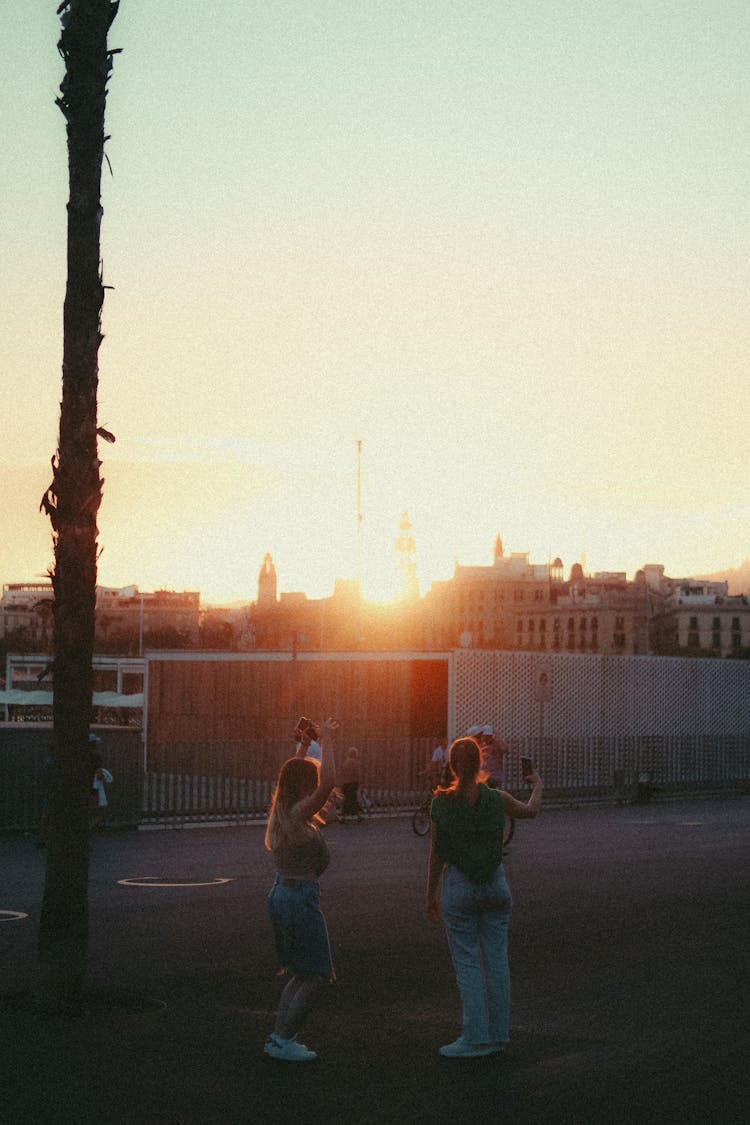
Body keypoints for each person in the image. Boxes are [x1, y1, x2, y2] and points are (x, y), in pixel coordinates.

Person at [426, 736, 543, 1059]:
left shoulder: (441, 803)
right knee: (497, 961)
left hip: (460, 885)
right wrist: (537, 784)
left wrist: (430, 895)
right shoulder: (498, 798)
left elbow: (437, 854)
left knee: (468, 964)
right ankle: (498, 1035)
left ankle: (475, 1036)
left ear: (451, 765)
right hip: (496, 885)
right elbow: (531, 811)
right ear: (481, 764)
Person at [264, 717, 339, 1062]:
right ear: (301, 787)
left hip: (284, 893)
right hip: (299, 898)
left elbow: (291, 773)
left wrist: (306, 745)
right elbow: (328, 785)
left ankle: (280, 1038)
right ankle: (284, 1038)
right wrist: (333, 740)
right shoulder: (295, 814)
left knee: (300, 973)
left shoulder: (283, 811)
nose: (315, 789)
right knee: (318, 974)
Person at [339, 746, 362, 822]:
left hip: (345, 784)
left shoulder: (345, 763)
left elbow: (342, 773)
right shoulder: (356, 763)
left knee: (346, 800)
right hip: (353, 783)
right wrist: (360, 783)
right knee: (353, 800)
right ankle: (358, 816)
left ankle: (343, 817)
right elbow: (358, 774)